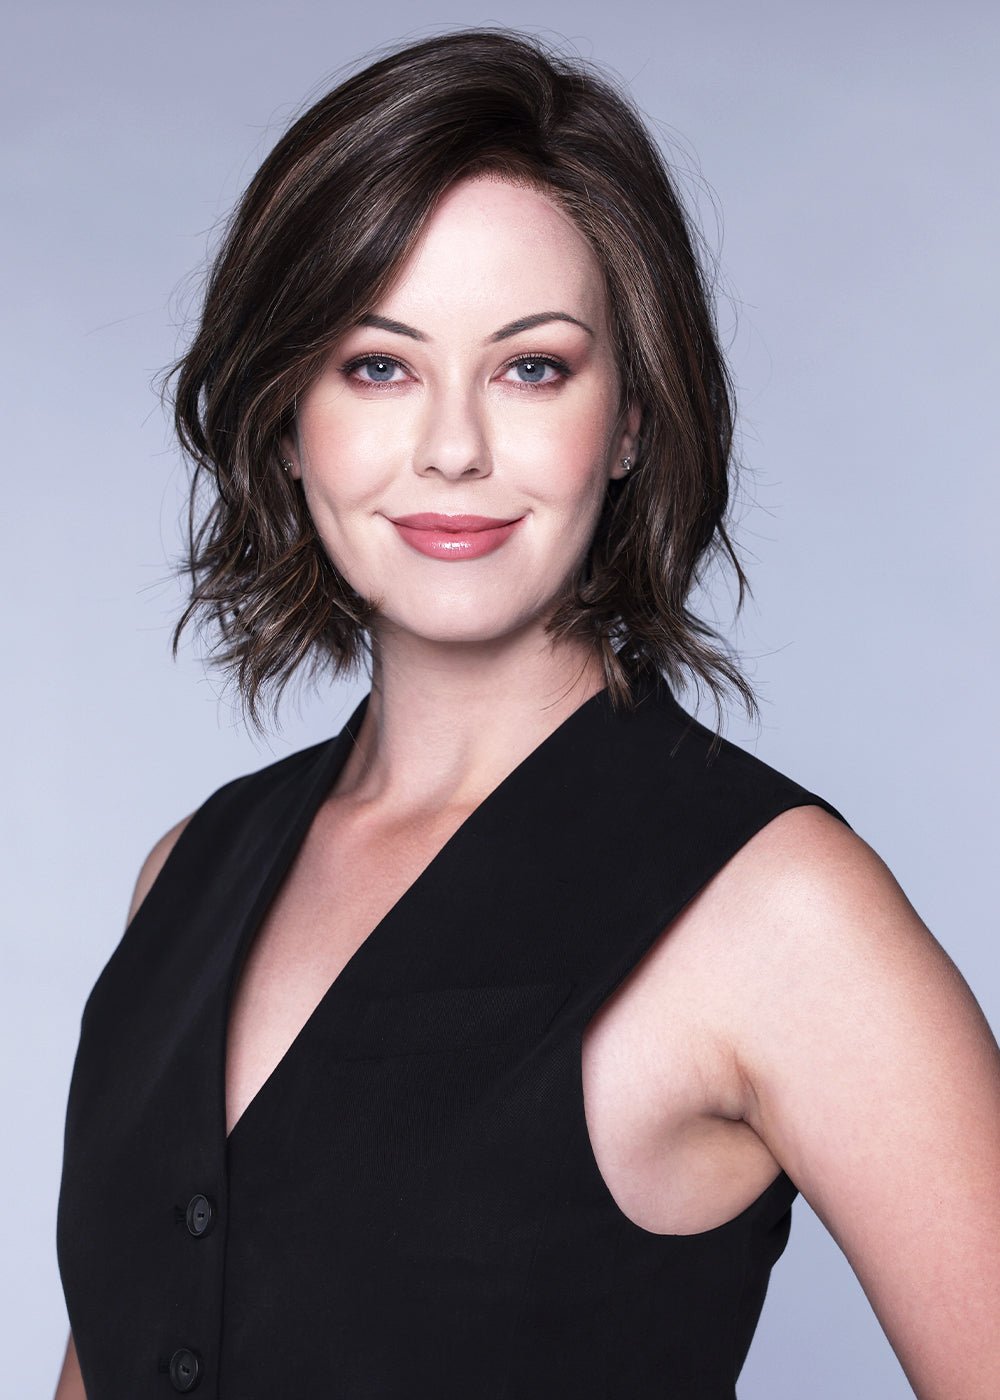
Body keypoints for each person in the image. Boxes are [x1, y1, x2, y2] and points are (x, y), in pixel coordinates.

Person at [53, 26, 1000, 1400]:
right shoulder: (182, 875)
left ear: (630, 421)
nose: (454, 447)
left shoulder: (780, 912)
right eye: (378, 365)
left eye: (533, 367)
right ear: (288, 415)